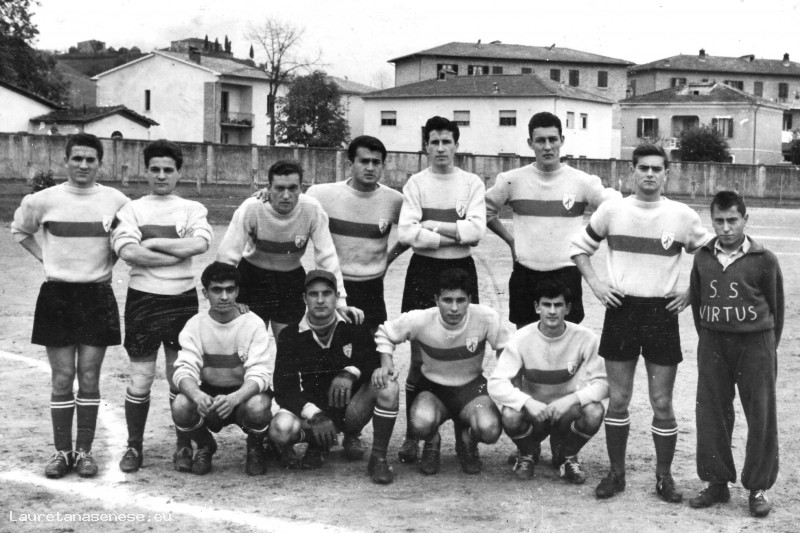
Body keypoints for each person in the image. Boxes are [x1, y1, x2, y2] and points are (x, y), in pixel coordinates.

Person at [570, 143, 710, 502]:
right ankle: (616, 474)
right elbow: (579, 248)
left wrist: (691, 292)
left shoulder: (682, 215)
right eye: (643, 167)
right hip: (622, 310)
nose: (649, 174)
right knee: (618, 399)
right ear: (632, 171)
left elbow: (712, 256)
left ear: (666, 174)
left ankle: (664, 478)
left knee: (662, 401)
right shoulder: (612, 210)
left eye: (656, 168)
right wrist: (597, 284)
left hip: (661, 313)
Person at [11, 133, 130, 478]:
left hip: (97, 296)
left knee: (89, 376)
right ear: (65, 161)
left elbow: (129, 236)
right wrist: (45, 259)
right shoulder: (43, 200)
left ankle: (85, 453)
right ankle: (62, 452)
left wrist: (108, 263)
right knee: (63, 377)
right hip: (57, 296)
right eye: (77, 158)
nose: (83, 165)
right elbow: (20, 231)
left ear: (100, 163)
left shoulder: (117, 200)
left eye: (90, 159)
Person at [111, 139, 213, 473]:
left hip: (181, 299)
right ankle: (134, 446)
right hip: (143, 299)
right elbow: (129, 252)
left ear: (179, 173)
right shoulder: (131, 209)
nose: (161, 175)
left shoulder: (192, 208)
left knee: (178, 377)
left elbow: (200, 244)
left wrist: (153, 241)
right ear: (145, 171)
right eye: (154, 169)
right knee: (140, 378)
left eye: (168, 169)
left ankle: (183, 446)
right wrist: (174, 253)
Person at [396, 116, 487, 464]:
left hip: (461, 269)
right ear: (425, 146)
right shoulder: (416, 183)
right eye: (434, 142)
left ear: (456, 145)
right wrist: (452, 233)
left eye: (446, 141)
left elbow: (476, 233)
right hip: (423, 271)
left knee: (463, 354)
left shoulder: (471, 183)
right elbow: (407, 233)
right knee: (420, 357)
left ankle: (465, 436)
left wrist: (431, 225)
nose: (440, 148)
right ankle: (417, 435)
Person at [688, 191, 783, 518]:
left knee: (761, 413)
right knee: (711, 410)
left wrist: (765, 346)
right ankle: (716, 482)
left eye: (732, 220)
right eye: (719, 221)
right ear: (711, 220)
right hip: (713, 342)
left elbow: (776, 307)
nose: (726, 228)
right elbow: (698, 302)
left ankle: (758, 486)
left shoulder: (764, 258)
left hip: (755, 343)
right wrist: (711, 336)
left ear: (745, 219)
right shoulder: (703, 257)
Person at [485, 111, 619, 328]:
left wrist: (589, 239)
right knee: (525, 340)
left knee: (567, 340)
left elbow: (614, 208)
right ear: (530, 143)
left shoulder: (582, 182)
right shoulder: (511, 180)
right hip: (526, 274)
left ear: (562, 140)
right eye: (540, 141)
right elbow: (484, 211)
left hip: (566, 274)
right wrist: (510, 240)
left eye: (552, 139)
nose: (547, 147)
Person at [374, 268, 510, 475]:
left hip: (472, 391)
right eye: (447, 300)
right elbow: (385, 332)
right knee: (419, 423)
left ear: (470, 299)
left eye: (461, 300)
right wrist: (386, 363)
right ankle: (432, 440)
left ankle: (467, 439)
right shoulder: (421, 319)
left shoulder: (486, 317)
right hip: (433, 390)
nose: (454, 308)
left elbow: (507, 349)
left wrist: (505, 375)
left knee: (490, 429)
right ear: (436, 299)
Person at [270, 270, 400, 484]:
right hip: (314, 410)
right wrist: (315, 414)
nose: (320, 300)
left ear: (337, 297)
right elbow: (284, 388)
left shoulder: (353, 323)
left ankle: (378, 458)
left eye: (327, 293)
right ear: (304, 298)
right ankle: (318, 442)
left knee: (387, 385)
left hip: (350, 410)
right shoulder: (290, 335)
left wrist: (349, 373)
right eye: (313, 294)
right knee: (280, 430)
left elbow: (372, 362)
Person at [216, 160, 362, 343]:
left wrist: (340, 303)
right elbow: (227, 255)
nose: (286, 195)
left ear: (301, 188)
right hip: (252, 278)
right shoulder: (252, 207)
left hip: (290, 281)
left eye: (293, 188)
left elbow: (327, 256)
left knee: (289, 345)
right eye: (279, 188)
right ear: (268, 187)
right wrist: (225, 295)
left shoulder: (312, 209)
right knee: (249, 343)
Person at [488, 279, 608, 483]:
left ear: (567, 308)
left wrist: (571, 400)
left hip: (565, 412)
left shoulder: (585, 338)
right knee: (510, 414)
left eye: (558, 305)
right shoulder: (521, 338)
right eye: (546, 304)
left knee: (594, 411)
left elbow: (604, 383)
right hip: (535, 414)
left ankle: (567, 456)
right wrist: (527, 402)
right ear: (537, 307)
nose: (552, 311)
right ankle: (528, 452)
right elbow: (496, 382)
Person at [170, 262, 274, 476]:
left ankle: (255, 447)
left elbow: (261, 374)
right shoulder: (195, 325)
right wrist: (198, 395)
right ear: (205, 293)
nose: (224, 296)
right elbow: (183, 371)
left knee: (259, 405)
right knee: (180, 404)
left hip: (243, 395)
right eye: (217, 290)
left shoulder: (254, 323)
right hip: (210, 395)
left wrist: (235, 398)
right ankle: (205, 445)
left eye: (229, 289)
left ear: (237, 291)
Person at [306, 136, 407, 330]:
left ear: (383, 165)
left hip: (372, 287)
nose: (370, 168)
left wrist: (388, 259)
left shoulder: (394, 200)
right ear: (350, 164)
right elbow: (294, 210)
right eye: (364, 161)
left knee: (373, 343)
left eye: (376, 162)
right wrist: (265, 195)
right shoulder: (321, 194)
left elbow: (410, 233)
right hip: (332, 285)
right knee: (331, 344)